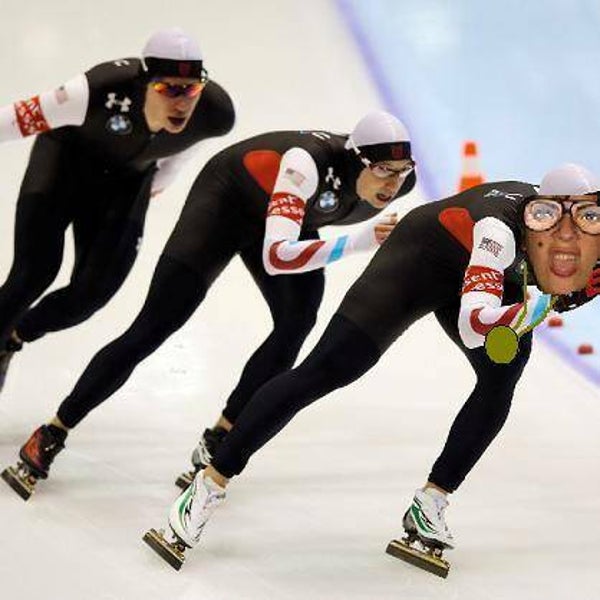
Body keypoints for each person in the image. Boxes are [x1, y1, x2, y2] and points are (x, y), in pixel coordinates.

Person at [143, 163, 600, 574]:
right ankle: (209, 484)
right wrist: (538, 308)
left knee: (501, 379)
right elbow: (474, 323)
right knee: (329, 368)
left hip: (493, 281)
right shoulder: (497, 232)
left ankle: (430, 503)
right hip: (422, 260)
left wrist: (553, 297)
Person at [1, 110, 417, 501]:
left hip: (286, 221)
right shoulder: (306, 164)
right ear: (356, 159)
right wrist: (359, 242)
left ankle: (221, 434)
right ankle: (53, 430)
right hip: (225, 204)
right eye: (383, 170)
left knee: (296, 323)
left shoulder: (398, 181)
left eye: (402, 171)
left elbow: (287, 241)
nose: (393, 183)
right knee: (154, 326)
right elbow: (278, 256)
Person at [0, 27, 235, 392]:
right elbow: (13, 119)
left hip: (125, 181)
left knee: (92, 294)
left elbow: (183, 150)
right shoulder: (94, 90)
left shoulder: (215, 113)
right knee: (34, 273)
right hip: (62, 166)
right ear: (145, 82)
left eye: (190, 90)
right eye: (169, 89)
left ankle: (12, 337)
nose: (182, 102)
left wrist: (151, 189)